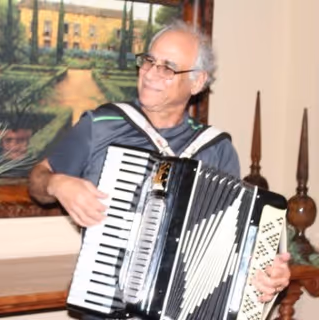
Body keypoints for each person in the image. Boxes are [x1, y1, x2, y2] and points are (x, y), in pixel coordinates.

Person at [29, 20, 290, 318]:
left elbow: (233, 250)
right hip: (106, 307)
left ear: (197, 82)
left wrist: (265, 275)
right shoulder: (100, 126)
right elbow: (38, 180)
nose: (151, 73)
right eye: (149, 61)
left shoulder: (216, 148)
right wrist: (58, 184)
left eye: (168, 67)